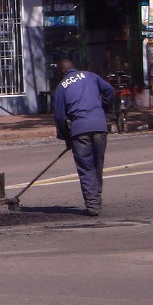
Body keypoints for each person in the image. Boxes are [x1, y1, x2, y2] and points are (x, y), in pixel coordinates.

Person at [53, 59, 115, 216]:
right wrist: (104, 108)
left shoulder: (62, 87)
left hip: (80, 129)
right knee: (97, 165)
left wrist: (65, 136)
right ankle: (97, 199)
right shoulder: (90, 76)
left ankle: (93, 204)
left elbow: (60, 117)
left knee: (86, 167)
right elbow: (109, 90)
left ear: (61, 71)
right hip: (99, 126)